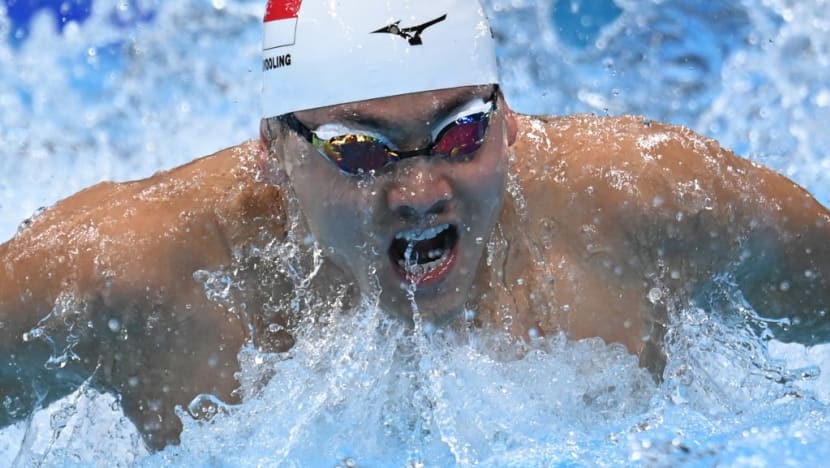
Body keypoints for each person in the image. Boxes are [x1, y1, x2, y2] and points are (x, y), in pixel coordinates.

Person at [1, 0, 828, 452]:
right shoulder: (129, 271)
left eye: (461, 132)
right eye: (360, 150)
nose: (421, 189)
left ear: (508, 124)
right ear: (270, 152)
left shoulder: (648, 202)